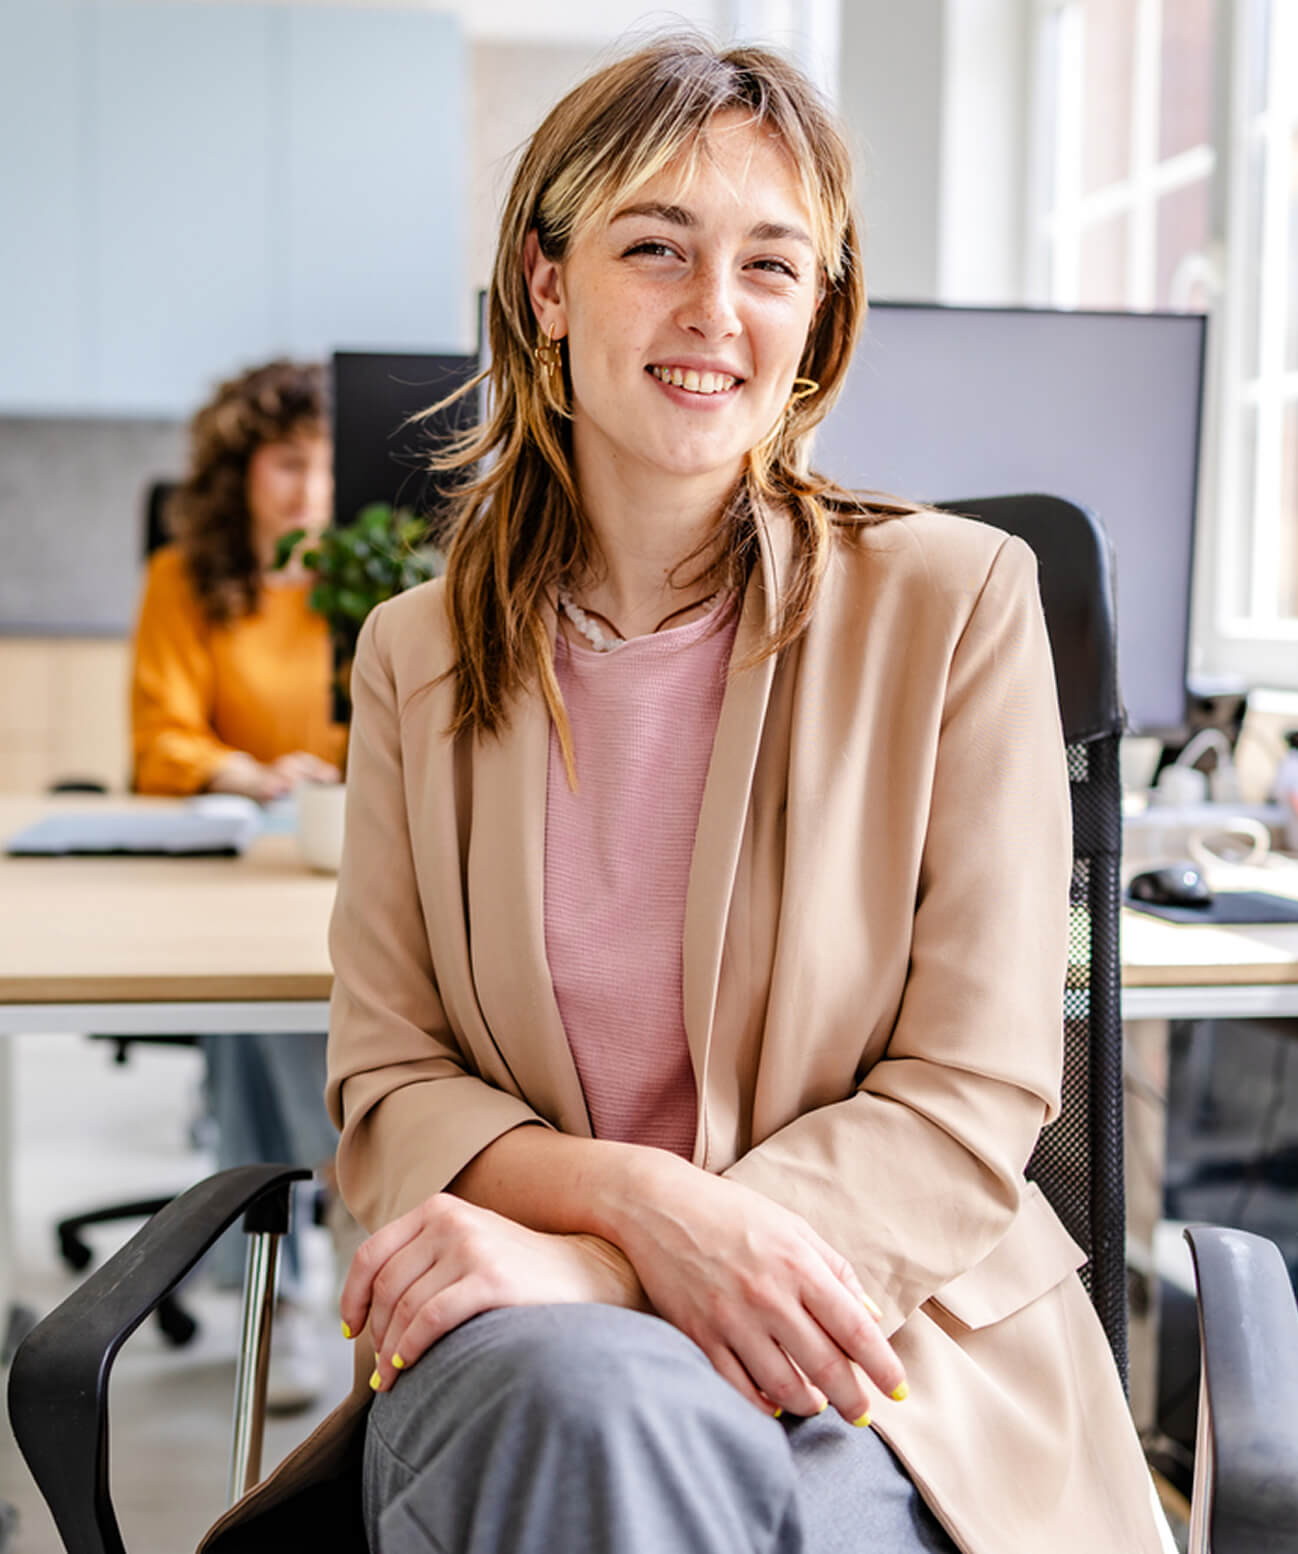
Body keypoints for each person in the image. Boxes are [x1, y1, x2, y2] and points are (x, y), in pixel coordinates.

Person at [202, 35, 1165, 1554]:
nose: (714, 311)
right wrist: (652, 1213)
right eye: (656, 246)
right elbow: (393, 1091)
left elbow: (971, 1091)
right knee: (582, 1417)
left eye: (771, 265)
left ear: (815, 310)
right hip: (525, 1362)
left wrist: (602, 1260)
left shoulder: (956, 601)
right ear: (546, 284)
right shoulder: (413, 658)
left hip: (876, 1358)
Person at [131, 359, 343, 1412]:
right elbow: (160, 738)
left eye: (325, 465)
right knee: (258, 1002)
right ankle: (307, 1263)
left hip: (351, 846)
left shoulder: (373, 576)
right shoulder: (184, 579)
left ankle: (297, 1256)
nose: (310, 489)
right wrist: (252, 773)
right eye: (287, 464)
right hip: (242, 846)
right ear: (242, 472)